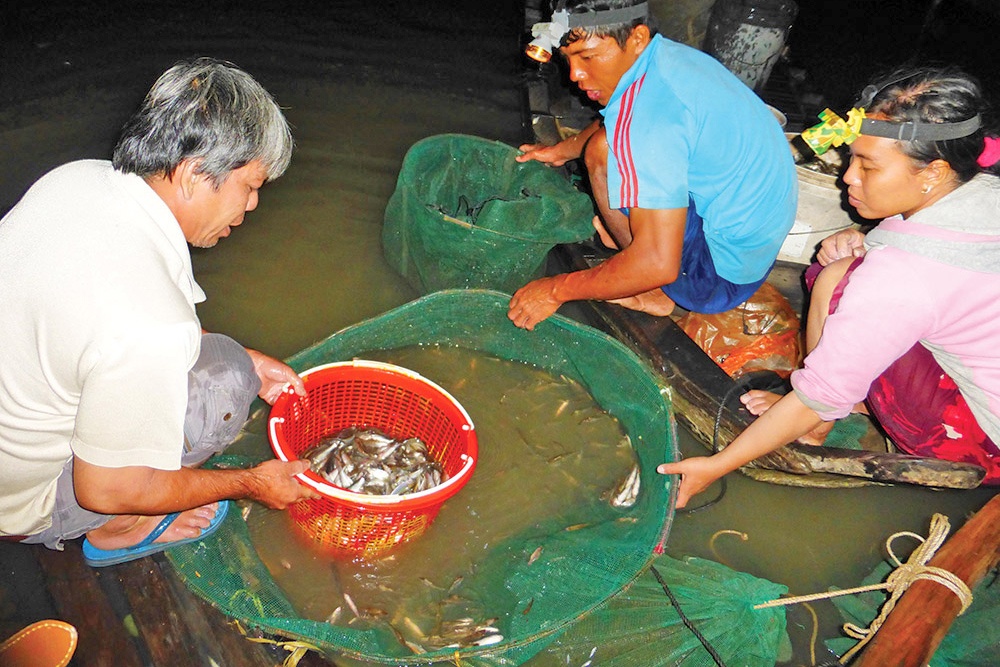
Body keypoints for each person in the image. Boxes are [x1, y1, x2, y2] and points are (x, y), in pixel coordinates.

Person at [0, 58, 320, 566]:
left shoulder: (79, 180)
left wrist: (256, 359)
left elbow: (107, 321)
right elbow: (103, 488)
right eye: (251, 185)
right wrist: (250, 484)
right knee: (226, 378)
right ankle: (121, 530)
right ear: (195, 173)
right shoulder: (151, 324)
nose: (253, 205)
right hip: (21, 507)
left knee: (234, 357)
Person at [660, 66, 1000, 508]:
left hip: (974, 447)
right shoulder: (982, 190)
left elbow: (913, 284)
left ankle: (827, 419)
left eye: (868, 166)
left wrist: (715, 465)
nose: (848, 177)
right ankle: (855, 402)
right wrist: (868, 240)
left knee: (837, 285)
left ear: (933, 171)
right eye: (853, 158)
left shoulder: (903, 276)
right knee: (841, 271)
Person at [507, 0, 797, 331]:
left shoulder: (648, 122)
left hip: (714, 278)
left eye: (587, 57)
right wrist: (560, 152)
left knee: (601, 154)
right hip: (752, 248)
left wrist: (555, 290)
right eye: (567, 58)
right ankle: (642, 256)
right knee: (604, 145)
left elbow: (658, 263)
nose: (575, 75)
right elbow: (621, 113)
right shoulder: (666, 57)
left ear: (637, 38)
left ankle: (655, 291)